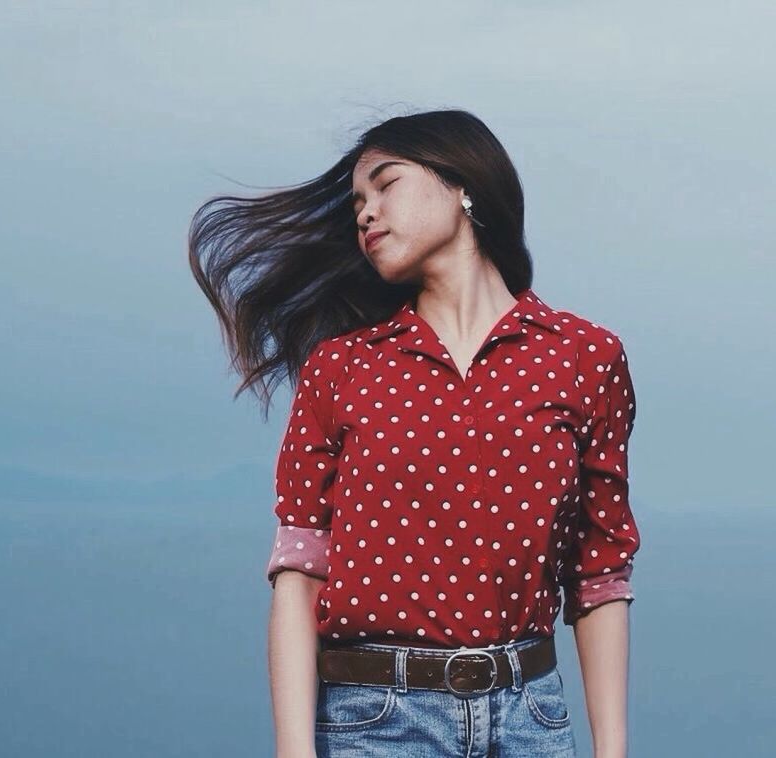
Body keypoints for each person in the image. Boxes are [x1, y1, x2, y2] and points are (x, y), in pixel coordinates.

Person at [188, 108, 641, 758]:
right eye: (357, 204)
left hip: (532, 721)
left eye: (386, 184)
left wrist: (612, 751)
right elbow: (299, 577)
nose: (366, 214)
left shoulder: (584, 358)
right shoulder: (340, 369)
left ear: (462, 186)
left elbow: (599, 574)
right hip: (377, 724)